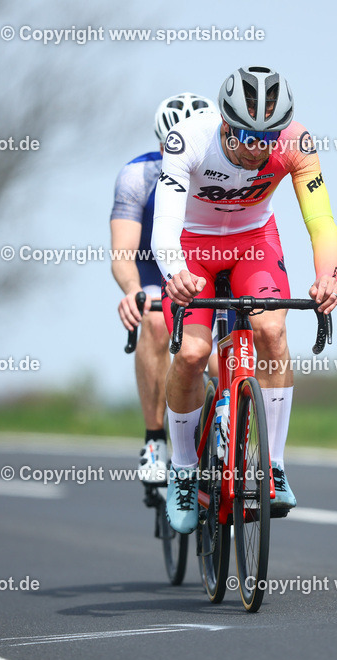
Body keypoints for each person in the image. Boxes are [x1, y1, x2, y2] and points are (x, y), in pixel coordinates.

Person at [152, 66, 337, 533]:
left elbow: (320, 220)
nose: (258, 148)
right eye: (246, 137)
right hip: (192, 248)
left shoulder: (297, 144)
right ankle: (181, 468)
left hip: (254, 242)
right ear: (225, 123)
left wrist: (328, 278)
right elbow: (164, 224)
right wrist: (174, 272)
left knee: (273, 332)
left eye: (268, 138)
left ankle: (273, 466)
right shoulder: (189, 140)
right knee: (194, 352)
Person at [110, 92, 215, 483]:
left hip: (207, 272)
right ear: (161, 144)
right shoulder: (138, 175)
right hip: (156, 274)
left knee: (225, 357)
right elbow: (122, 253)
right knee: (153, 319)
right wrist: (133, 291)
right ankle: (155, 438)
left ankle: (225, 430)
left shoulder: (226, 172)